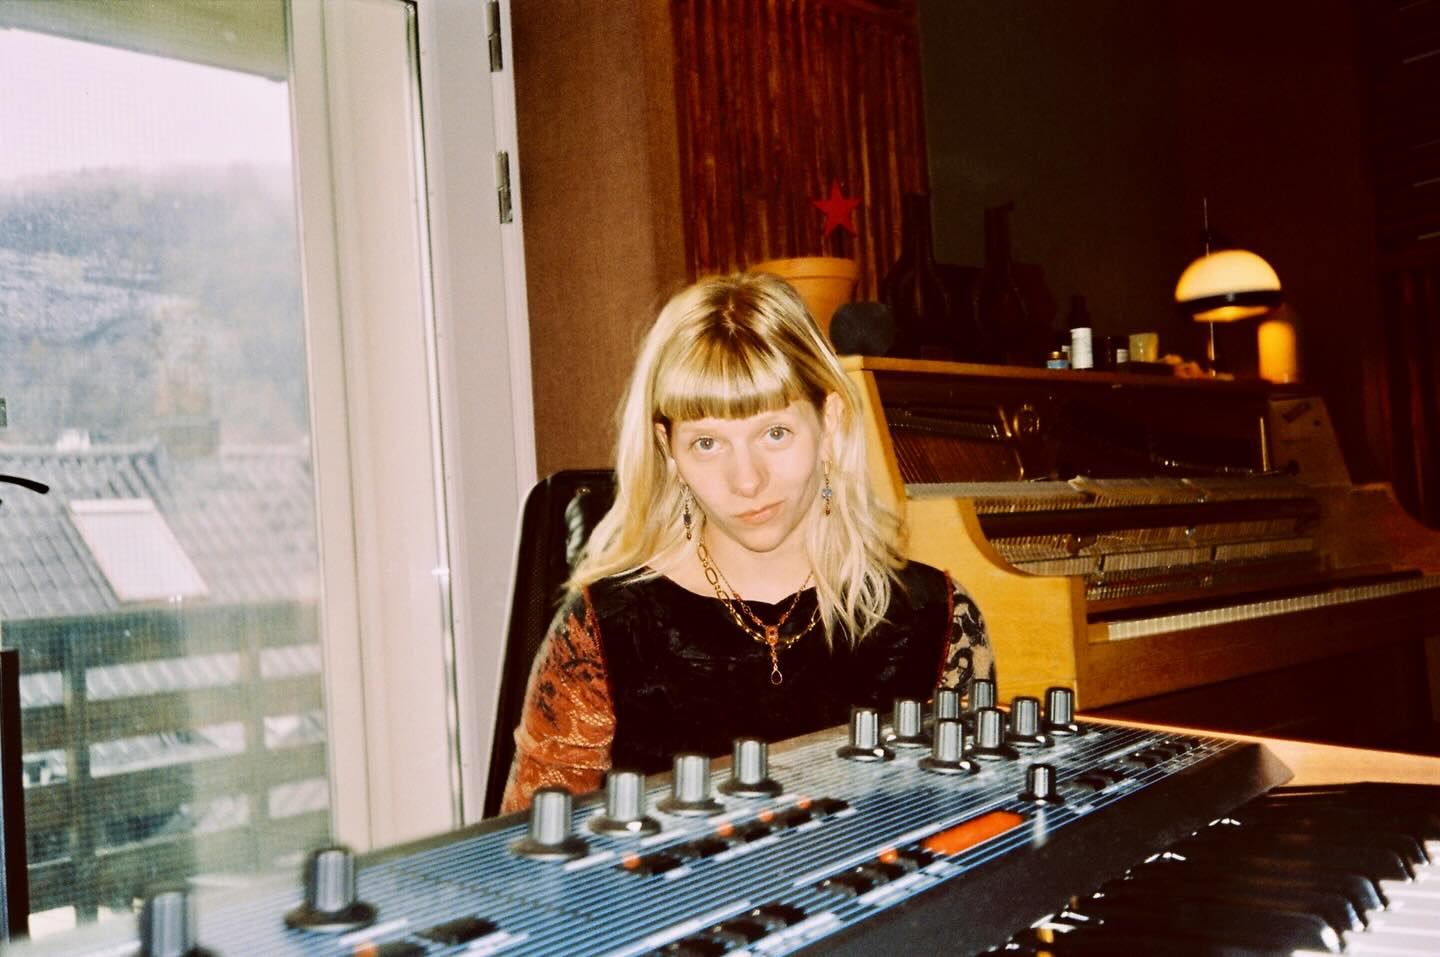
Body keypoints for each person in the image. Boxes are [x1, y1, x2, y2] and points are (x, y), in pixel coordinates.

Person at [501, 271, 994, 812]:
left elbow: (973, 826)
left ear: (829, 424)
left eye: (774, 433)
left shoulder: (939, 616)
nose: (747, 481)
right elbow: (535, 841)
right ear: (668, 449)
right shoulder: (601, 627)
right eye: (707, 443)